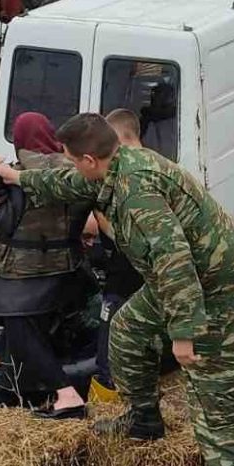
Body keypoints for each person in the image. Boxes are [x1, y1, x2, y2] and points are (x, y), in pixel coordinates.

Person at [0, 114, 234, 466]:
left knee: (214, 401)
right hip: (176, 284)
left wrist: (183, 334)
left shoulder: (138, 192)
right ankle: (144, 420)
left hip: (220, 292)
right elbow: (68, 184)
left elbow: (175, 261)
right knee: (126, 333)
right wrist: (15, 176)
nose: (73, 170)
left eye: (74, 162)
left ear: (91, 158)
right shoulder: (113, 167)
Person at [0, 113, 93, 419]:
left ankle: (65, 393)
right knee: (28, 322)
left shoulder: (15, 178)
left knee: (19, 320)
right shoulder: (75, 173)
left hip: (24, 274)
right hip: (67, 271)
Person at [85, 109, 147, 404]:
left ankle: (105, 409)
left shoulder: (132, 177)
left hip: (126, 280)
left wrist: (97, 218)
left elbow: (127, 237)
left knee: (108, 352)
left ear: (119, 139)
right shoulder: (161, 167)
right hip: (149, 283)